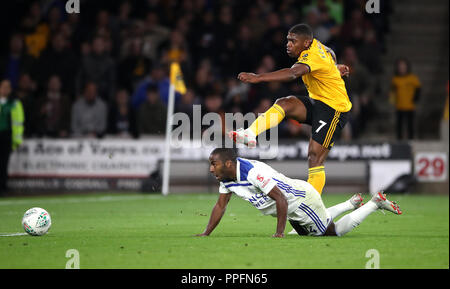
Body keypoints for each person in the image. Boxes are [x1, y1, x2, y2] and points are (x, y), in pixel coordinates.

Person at [229, 23, 351, 197]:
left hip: (334, 109)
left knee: (314, 157)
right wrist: (334, 68)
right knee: (285, 103)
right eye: (288, 40)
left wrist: (259, 77)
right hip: (318, 102)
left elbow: (293, 74)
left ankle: (311, 204)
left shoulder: (313, 54)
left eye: (293, 41)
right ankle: (249, 134)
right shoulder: (320, 47)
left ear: (307, 43)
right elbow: (331, 53)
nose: (288, 44)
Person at [196, 148, 402, 238]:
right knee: (306, 234)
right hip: (291, 205)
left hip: (301, 201)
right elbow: (220, 206)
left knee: (331, 232)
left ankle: (375, 202)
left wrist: (279, 232)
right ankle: (349, 204)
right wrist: (206, 233)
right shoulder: (226, 178)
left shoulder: (252, 172)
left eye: (214, 164)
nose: (211, 169)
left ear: (228, 163)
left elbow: (280, 199)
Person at [0, 79, 24, 195]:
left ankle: (3, 187)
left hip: (6, 136)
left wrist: (17, 139)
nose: (5, 89)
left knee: (4, 162)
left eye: (8, 87)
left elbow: (19, 122)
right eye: (3, 86)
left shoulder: (14, 103)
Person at [390, 58, 421, 140]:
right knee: (399, 125)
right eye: (400, 67)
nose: (402, 68)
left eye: (403, 66)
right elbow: (392, 92)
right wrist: (392, 101)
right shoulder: (395, 79)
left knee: (410, 125)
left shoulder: (413, 78)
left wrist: (415, 99)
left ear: (407, 67)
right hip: (399, 106)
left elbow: (418, 89)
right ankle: (399, 141)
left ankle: (411, 140)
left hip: (410, 106)